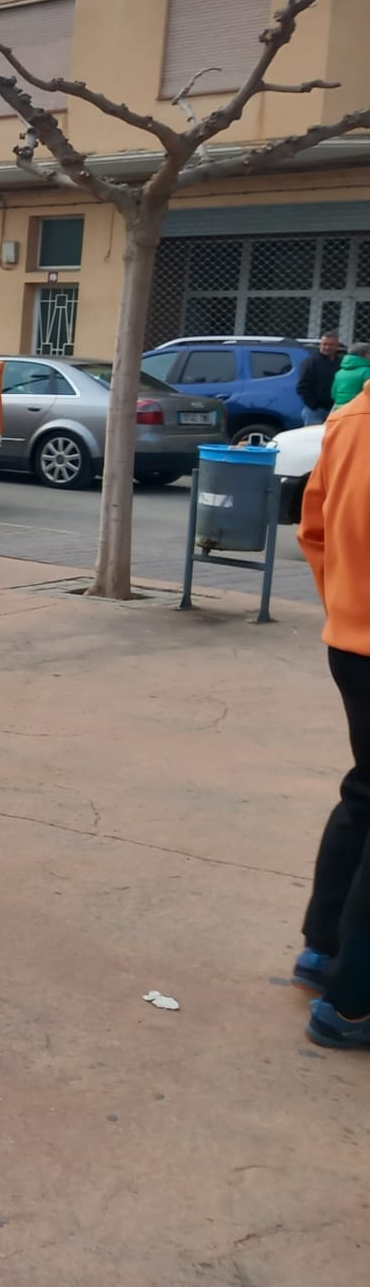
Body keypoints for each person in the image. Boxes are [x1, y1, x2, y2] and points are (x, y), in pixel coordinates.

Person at [293, 390, 370, 1051]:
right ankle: (353, 1001)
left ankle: (322, 949)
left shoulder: (349, 418)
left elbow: (312, 528)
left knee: (365, 792)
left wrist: (344, 609)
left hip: (350, 642)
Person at [299, 331, 344, 426]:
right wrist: (314, 405)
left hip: (336, 408)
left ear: (337, 346)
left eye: (330, 345)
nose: (327, 347)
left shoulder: (341, 362)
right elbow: (302, 386)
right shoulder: (311, 362)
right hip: (316, 410)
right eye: (324, 344)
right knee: (313, 434)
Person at [331, 344, 370, 412]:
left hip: (339, 411)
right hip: (359, 411)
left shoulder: (339, 372)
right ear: (366, 355)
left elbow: (333, 394)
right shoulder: (367, 372)